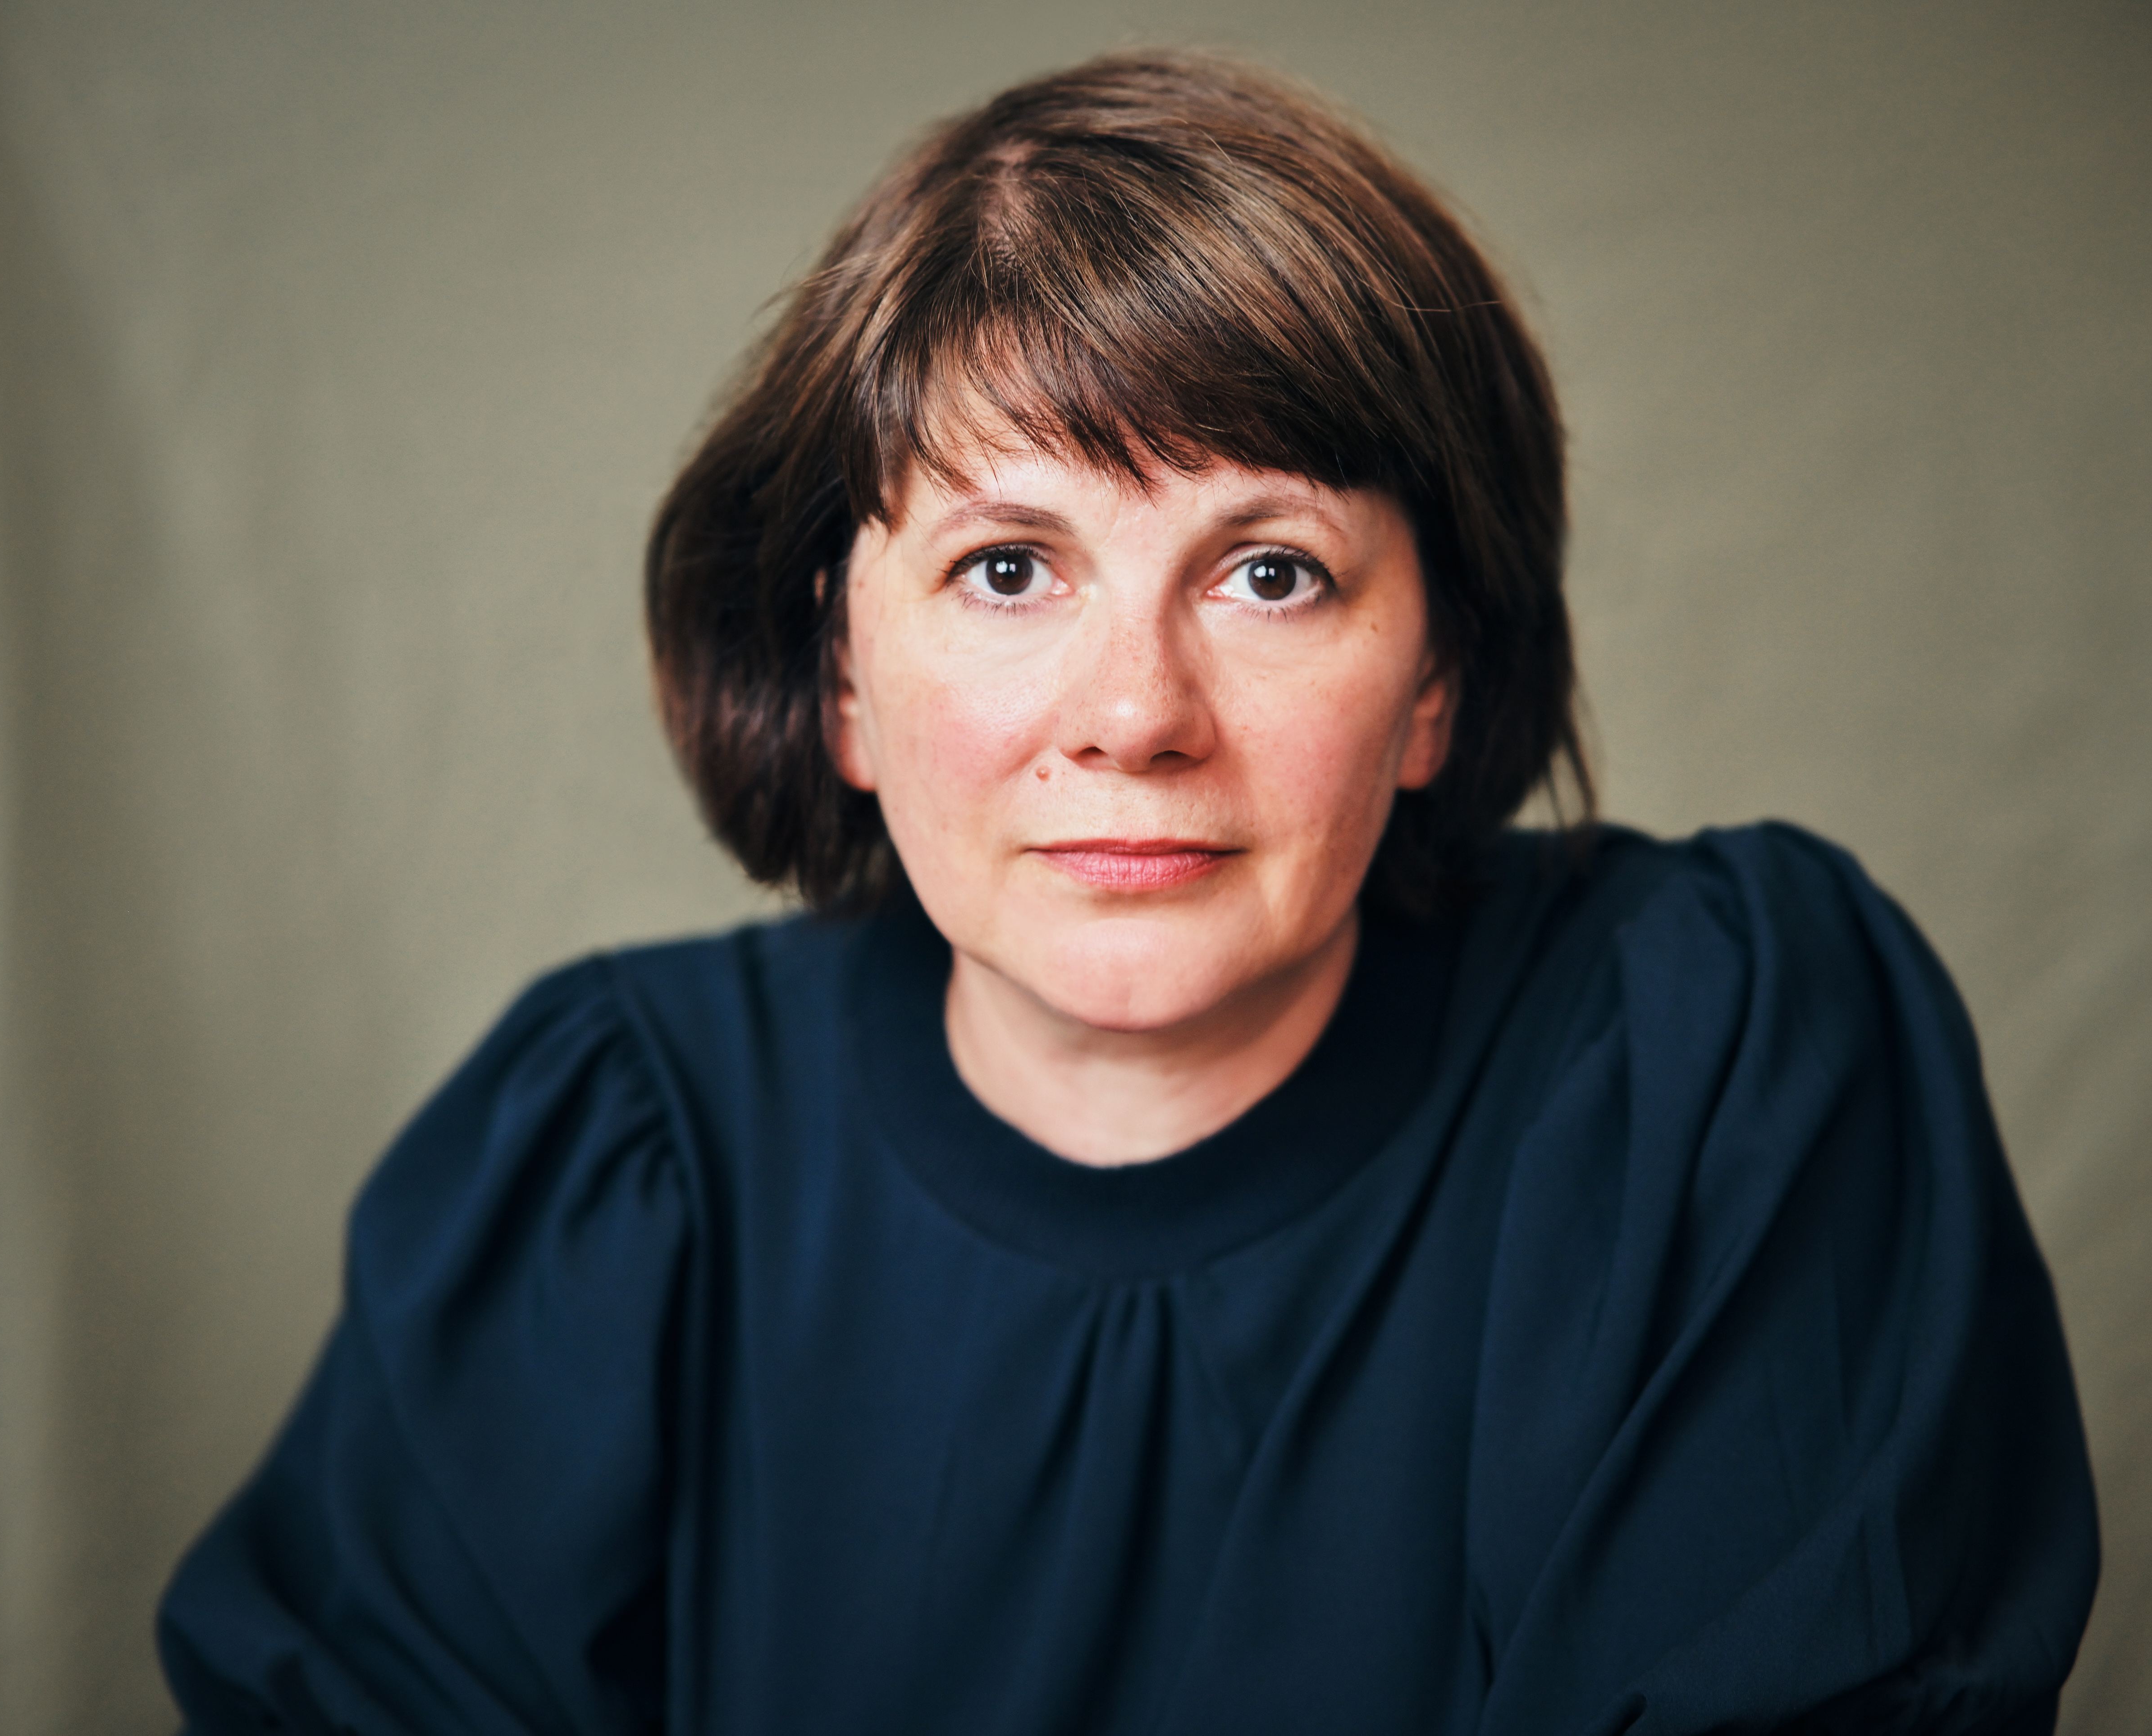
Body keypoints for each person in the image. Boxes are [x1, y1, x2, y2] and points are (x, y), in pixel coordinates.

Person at [156, 50, 2098, 1736]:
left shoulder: (1711, 1067)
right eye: (1009, 567)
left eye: (1271, 572)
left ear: (1435, 679)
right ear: (841, 679)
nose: (1136, 715)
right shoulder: (612, 1169)